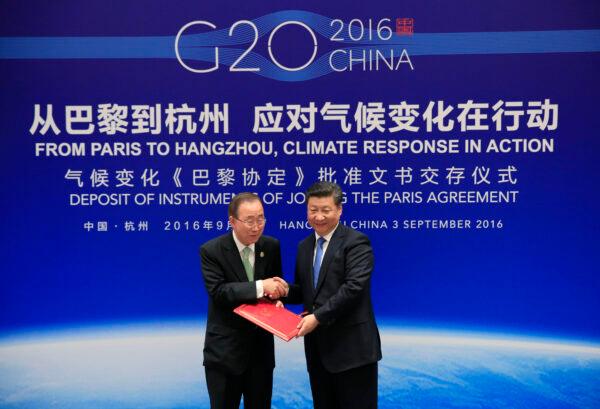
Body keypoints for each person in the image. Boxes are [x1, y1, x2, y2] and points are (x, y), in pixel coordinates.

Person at [286, 181, 382, 409]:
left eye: (325, 210)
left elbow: (353, 289)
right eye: (313, 210)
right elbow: (306, 291)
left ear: (339, 210)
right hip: (319, 352)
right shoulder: (304, 246)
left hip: (353, 353)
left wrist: (316, 318)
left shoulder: (356, 242)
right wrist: (281, 293)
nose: (318, 216)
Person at [200, 192, 287, 409]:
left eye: (261, 219)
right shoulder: (212, 250)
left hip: (261, 355)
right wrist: (260, 287)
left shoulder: (271, 246)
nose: (256, 226)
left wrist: (276, 298)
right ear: (232, 221)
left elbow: (272, 288)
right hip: (225, 355)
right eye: (249, 220)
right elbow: (219, 292)